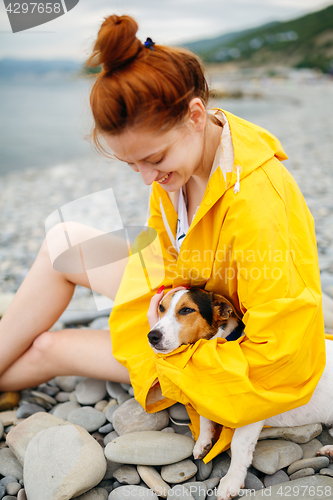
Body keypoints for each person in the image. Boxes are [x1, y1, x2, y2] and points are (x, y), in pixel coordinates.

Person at [0, 14, 327, 459]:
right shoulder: (188, 160)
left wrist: (177, 348)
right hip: (186, 296)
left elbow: (278, 357)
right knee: (63, 241)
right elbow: (169, 255)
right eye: (132, 164)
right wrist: (165, 295)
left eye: (154, 159)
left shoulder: (256, 204)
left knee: (49, 346)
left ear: (194, 114)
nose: (147, 178)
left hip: (217, 341)